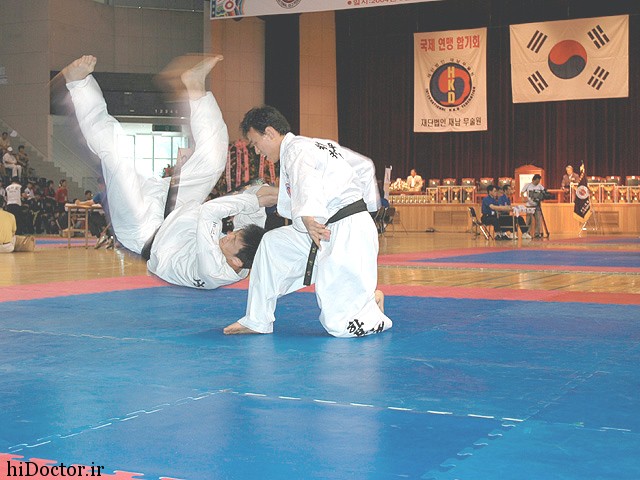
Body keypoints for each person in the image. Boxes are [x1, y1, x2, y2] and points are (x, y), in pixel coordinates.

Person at [63, 54, 275, 289]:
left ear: (234, 261)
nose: (229, 235)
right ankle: (195, 86)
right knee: (213, 161)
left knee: (117, 156)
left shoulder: (213, 271)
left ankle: (78, 84)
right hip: (176, 212)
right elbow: (251, 215)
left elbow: (209, 213)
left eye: (232, 240)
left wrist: (253, 199)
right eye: (235, 234)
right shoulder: (244, 254)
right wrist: (267, 194)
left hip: (143, 230)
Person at [223, 105, 391, 338]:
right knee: (271, 244)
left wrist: (310, 215)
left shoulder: (297, 151)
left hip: (344, 230)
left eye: (255, 143)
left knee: (339, 325)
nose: (257, 152)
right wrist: (371, 208)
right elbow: (364, 166)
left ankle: (372, 308)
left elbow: (307, 182)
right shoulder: (318, 145)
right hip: (324, 227)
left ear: (269, 133)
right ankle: (257, 319)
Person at [521, 174, 546, 238]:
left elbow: (544, 192)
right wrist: (523, 198)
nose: (538, 182)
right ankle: (527, 232)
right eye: (537, 181)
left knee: (538, 219)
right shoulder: (528, 185)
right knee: (528, 220)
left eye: (539, 181)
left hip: (537, 205)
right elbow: (522, 192)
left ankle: (537, 233)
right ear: (533, 180)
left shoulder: (540, 186)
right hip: (529, 205)